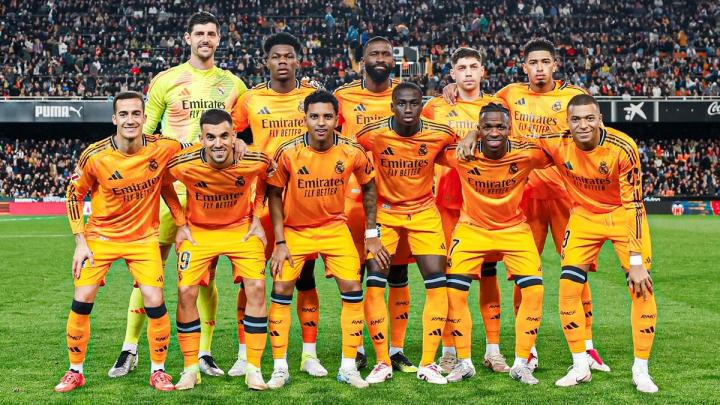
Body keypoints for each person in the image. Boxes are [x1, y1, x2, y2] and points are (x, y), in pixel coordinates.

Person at [453, 38, 608, 372]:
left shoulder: (573, 96)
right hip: (525, 196)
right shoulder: (509, 94)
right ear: (524, 67)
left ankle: (587, 346)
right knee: (523, 276)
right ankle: (530, 350)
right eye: (533, 63)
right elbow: (483, 114)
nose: (539, 68)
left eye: (545, 62)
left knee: (576, 270)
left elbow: (595, 135)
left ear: (555, 65)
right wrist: (468, 129)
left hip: (566, 195)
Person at [110, 11, 248, 379]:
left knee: (205, 276)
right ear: (188, 38)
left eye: (212, 34)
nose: (205, 39)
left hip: (209, 194)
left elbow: (243, 132)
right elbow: (144, 133)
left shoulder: (233, 84)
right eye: (199, 33)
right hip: (166, 190)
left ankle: (204, 353)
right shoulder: (166, 81)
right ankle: (129, 349)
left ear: (219, 39)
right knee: (147, 271)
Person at [55, 92, 186, 392]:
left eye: (136, 114)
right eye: (124, 114)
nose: (130, 120)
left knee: (154, 300)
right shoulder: (94, 155)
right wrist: (80, 242)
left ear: (144, 118)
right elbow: (74, 195)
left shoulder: (165, 147)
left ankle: (158, 371)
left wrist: (181, 223)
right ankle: (75, 371)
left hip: (143, 238)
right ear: (114, 119)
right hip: (101, 236)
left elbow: (189, 159)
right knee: (82, 297)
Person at [264, 90, 387, 389]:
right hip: (295, 231)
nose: (321, 122)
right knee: (281, 289)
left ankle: (348, 367)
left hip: (335, 228)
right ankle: (280, 368)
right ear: (304, 118)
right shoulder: (288, 152)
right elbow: (274, 194)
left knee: (353, 289)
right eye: (315, 116)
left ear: (336, 119)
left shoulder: (351, 151)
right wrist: (279, 242)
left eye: (327, 116)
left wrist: (372, 234)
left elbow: (370, 186)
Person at [537, 95, 657, 393]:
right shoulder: (556, 142)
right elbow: (515, 143)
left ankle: (641, 370)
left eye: (589, 118)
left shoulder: (623, 147)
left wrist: (636, 261)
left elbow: (634, 205)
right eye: (576, 119)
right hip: (583, 217)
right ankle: (580, 365)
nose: (583, 125)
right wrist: (473, 135)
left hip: (622, 215)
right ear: (567, 122)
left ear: (600, 119)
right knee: (568, 289)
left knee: (641, 287)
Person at [230, 32, 325, 378]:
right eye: (276, 56)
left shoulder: (311, 96)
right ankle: (244, 354)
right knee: (251, 277)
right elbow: (226, 130)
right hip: (259, 200)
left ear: (298, 60)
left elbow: (334, 127)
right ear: (266, 61)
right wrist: (239, 143)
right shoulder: (251, 98)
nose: (282, 61)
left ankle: (309, 354)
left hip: (303, 199)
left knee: (304, 277)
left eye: (288, 56)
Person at [439, 103, 549, 384]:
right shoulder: (461, 153)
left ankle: (522, 364)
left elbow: (559, 150)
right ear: (479, 129)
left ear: (509, 128)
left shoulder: (527, 153)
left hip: (514, 229)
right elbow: (425, 148)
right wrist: (468, 137)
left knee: (534, 292)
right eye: (487, 127)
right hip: (471, 229)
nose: (494, 132)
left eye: (500, 126)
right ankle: (464, 362)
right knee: (453, 293)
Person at [357, 82, 456, 385]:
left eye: (414, 103)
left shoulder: (440, 134)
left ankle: (428, 363)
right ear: (392, 107)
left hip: (424, 213)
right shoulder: (372, 134)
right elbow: (346, 153)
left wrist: (471, 137)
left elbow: (462, 144)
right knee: (375, 283)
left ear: (421, 106)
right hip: (385, 214)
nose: (408, 109)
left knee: (437, 283)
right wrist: (370, 230)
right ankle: (382, 362)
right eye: (402, 103)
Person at [167, 109, 273, 390]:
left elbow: (269, 176)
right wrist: (180, 222)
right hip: (199, 232)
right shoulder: (183, 162)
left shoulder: (253, 159)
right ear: (201, 139)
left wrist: (257, 216)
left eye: (224, 136)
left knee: (256, 287)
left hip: (241, 229)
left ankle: (253, 368)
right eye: (211, 137)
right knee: (186, 292)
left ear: (234, 136)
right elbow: (164, 183)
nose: (218, 143)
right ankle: (190, 369)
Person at [422, 47, 512, 374]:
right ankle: (449, 350)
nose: (469, 72)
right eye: (462, 67)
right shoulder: (435, 106)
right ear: (453, 74)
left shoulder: (498, 107)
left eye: (474, 66)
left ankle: (493, 349)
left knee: (488, 273)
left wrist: (474, 132)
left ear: (483, 71)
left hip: (485, 202)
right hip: (448, 202)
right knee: (450, 277)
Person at [334, 36, 416, 372]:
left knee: (397, 272)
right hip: (354, 199)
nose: (380, 58)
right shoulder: (343, 96)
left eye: (386, 54)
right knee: (352, 274)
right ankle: (355, 348)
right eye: (373, 54)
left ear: (393, 60)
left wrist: (451, 90)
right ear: (362, 60)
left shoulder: (407, 95)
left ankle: (395, 350)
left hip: (397, 198)